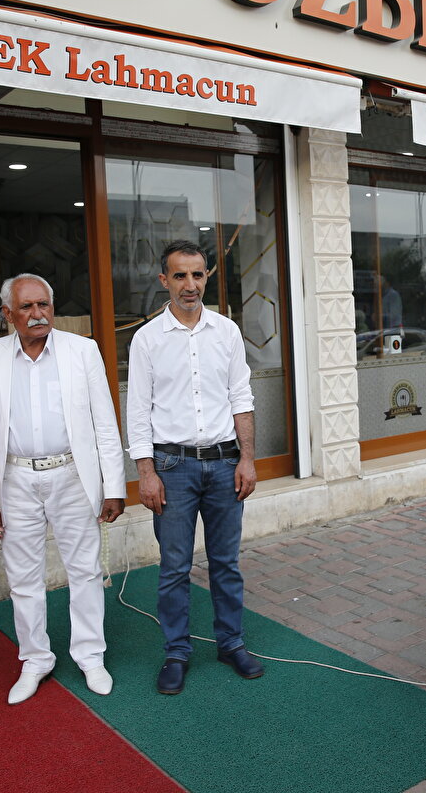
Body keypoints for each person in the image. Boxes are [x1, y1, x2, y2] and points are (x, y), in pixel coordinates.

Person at [0, 273, 125, 704]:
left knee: (86, 570)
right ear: (7, 314)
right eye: (27, 307)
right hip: (14, 479)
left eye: (44, 305)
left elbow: (105, 424)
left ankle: (90, 656)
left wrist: (113, 485)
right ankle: (35, 659)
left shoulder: (82, 350)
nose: (37, 314)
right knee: (23, 576)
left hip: (72, 474)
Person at [127, 239, 262, 695]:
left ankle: (231, 643)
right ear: (164, 280)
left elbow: (241, 397)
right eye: (180, 275)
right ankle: (177, 652)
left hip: (225, 464)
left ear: (207, 277)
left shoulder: (226, 332)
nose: (190, 284)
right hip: (173, 468)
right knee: (174, 567)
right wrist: (146, 473)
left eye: (198, 274)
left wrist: (247, 458)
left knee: (226, 563)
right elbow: (138, 411)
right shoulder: (146, 339)